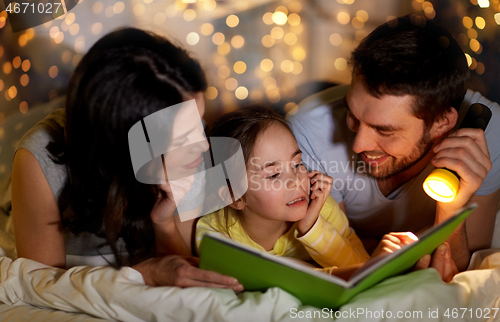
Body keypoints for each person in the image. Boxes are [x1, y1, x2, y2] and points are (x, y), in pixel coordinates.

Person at [11, 28, 243, 290]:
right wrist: (140, 275)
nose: (202, 144)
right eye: (182, 138)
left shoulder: (188, 146)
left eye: (199, 123)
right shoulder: (40, 160)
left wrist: (164, 223)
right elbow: (40, 288)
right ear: (124, 146)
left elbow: (185, 272)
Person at [288, 14, 500, 271]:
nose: (358, 145)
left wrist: (451, 209)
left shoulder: (485, 133)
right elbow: (332, 255)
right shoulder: (308, 133)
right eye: (353, 116)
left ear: (442, 123)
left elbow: (463, 269)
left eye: (384, 130)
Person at [195, 106, 457, 282]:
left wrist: (312, 228)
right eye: (274, 174)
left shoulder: (321, 206)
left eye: (298, 164)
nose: (297, 180)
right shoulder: (215, 235)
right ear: (235, 196)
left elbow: (361, 267)